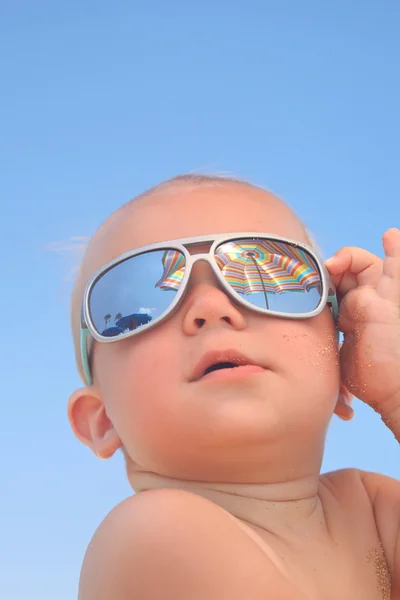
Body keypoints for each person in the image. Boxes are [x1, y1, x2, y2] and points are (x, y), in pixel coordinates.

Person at [68, 174, 399, 599]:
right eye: (137, 302)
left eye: (266, 270)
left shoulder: (372, 509)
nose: (210, 307)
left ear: (342, 372)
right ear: (101, 419)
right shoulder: (155, 534)